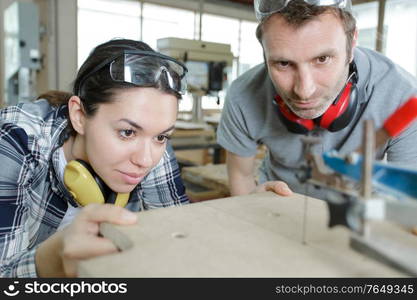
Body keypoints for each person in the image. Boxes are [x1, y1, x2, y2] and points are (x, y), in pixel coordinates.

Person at [0, 39, 190, 277]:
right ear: (79, 116)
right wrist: (51, 260)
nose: (145, 160)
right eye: (127, 132)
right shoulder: (15, 140)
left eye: (162, 137)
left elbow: (178, 236)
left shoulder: (150, 142)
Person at [217, 0, 417, 199]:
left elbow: (408, 199)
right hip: (277, 209)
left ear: (352, 42)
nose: (304, 91)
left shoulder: (404, 97)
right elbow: (241, 177)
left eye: (322, 59)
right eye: (284, 63)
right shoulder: (243, 94)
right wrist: (251, 204)